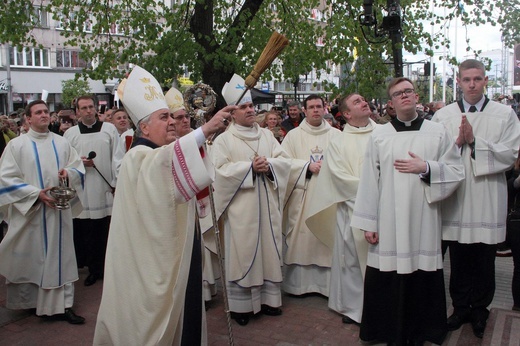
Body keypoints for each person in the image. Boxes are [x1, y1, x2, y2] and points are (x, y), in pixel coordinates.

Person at [93, 66, 233, 345]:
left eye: (171, 116)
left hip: (179, 253)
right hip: (152, 262)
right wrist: (204, 130)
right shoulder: (138, 157)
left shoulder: (160, 153)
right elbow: (164, 166)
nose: (171, 122)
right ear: (143, 127)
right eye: (163, 117)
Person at [351, 77, 465, 345]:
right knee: (387, 276)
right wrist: (370, 222)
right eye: (397, 94)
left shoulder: (437, 132)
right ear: (390, 103)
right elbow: (369, 179)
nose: (404, 96)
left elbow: (456, 171)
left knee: (421, 273)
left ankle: (423, 331)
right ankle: (386, 331)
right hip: (388, 218)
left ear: (416, 97)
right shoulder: (380, 135)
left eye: (408, 91)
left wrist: (426, 168)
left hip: (423, 218)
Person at [432, 59, 520, 338]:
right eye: (466, 79)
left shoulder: (504, 114)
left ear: (485, 81)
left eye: (477, 79)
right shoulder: (443, 116)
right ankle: (459, 308)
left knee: (484, 258)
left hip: (486, 195)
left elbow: (510, 154)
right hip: (456, 198)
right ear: (458, 82)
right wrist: (458, 142)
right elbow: (432, 156)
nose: (472, 84)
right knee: (458, 258)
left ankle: (480, 309)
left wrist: (475, 143)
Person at [211, 74, 292, 326]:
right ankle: (241, 307)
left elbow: (284, 161)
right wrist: (248, 168)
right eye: (243, 107)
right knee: (243, 253)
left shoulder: (266, 136)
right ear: (232, 113)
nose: (249, 110)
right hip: (241, 210)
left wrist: (269, 166)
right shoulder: (224, 140)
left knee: (269, 250)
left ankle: (269, 301)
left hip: (267, 207)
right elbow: (218, 173)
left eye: (250, 106)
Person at [0, 100, 86, 324]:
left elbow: (78, 167)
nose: (44, 115)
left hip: (58, 213)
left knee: (61, 258)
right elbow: (5, 179)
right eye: (38, 112)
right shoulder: (16, 146)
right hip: (31, 212)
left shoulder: (62, 143)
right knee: (32, 258)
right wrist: (36, 194)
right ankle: (32, 303)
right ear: (28, 119)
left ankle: (63, 306)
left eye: (46, 112)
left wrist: (68, 172)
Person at [305, 93, 376, 325]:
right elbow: (339, 178)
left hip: (386, 211)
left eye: (364, 99)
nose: (364, 102)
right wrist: (375, 193)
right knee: (353, 263)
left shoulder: (385, 134)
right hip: (352, 210)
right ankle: (355, 309)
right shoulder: (338, 142)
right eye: (357, 102)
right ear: (346, 114)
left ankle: (380, 308)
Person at [281, 94, 341, 297]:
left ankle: (327, 287)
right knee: (303, 239)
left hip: (328, 197)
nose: (315, 110)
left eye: (318, 106)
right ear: (304, 111)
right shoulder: (293, 136)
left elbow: (345, 162)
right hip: (302, 197)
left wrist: (330, 167)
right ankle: (299, 286)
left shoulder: (336, 135)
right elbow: (282, 164)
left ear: (325, 109)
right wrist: (306, 166)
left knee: (326, 238)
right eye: (311, 107)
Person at [64, 95, 124, 287]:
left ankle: (108, 267)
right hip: (83, 189)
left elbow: (117, 157)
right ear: (77, 112)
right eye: (84, 108)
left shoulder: (109, 129)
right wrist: (79, 163)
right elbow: (66, 160)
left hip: (105, 188)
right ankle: (93, 269)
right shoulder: (71, 134)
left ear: (96, 109)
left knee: (105, 230)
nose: (88, 111)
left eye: (91, 107)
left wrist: (116, 183)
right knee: (87, 232)